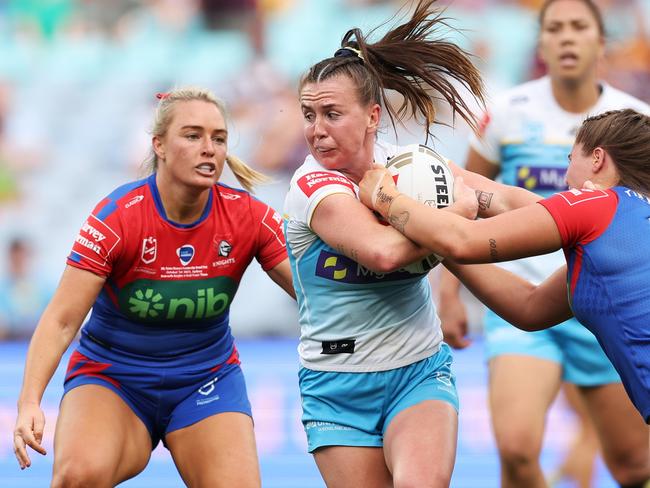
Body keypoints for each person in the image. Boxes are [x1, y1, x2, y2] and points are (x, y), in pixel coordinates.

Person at [282, 1, 539, 486]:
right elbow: (384, 254)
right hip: (337, 385)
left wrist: (579, 217)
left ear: (373, 115)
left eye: (332, 113)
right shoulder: (312, 188)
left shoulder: (414, 166)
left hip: (416, 370)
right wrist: (454, 217)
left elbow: (502, 199)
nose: (317, 129)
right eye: (308, 114)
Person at [12, 87, 295, 488]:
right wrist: (29, 403)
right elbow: (61, 320)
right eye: (193, 135)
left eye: (218, 138)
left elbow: (312, 295)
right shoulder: (117, 217)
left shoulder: (248, 215)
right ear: (159, 145)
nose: (209, 148)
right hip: (113, 379)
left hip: (206, 380)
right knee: (77, 477)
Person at [359, 108, 650, 486]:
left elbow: (464, 239)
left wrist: (386, 197)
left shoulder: (593, 207)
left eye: (570, 160)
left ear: (597, 158)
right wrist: (439, 226)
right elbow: (529, 308)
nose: (564, 177)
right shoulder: (621, 227)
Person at [435, 0, 650, 486]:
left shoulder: (636, 119)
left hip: (601, 300)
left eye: (579, 27)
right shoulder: (508, 112)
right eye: (555, 28)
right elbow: (470, 190)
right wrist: (448, 295)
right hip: (526, 293)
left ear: (601, 41)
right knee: (515, 448)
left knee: (633, 466)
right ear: (541, 43)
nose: (567, 37)